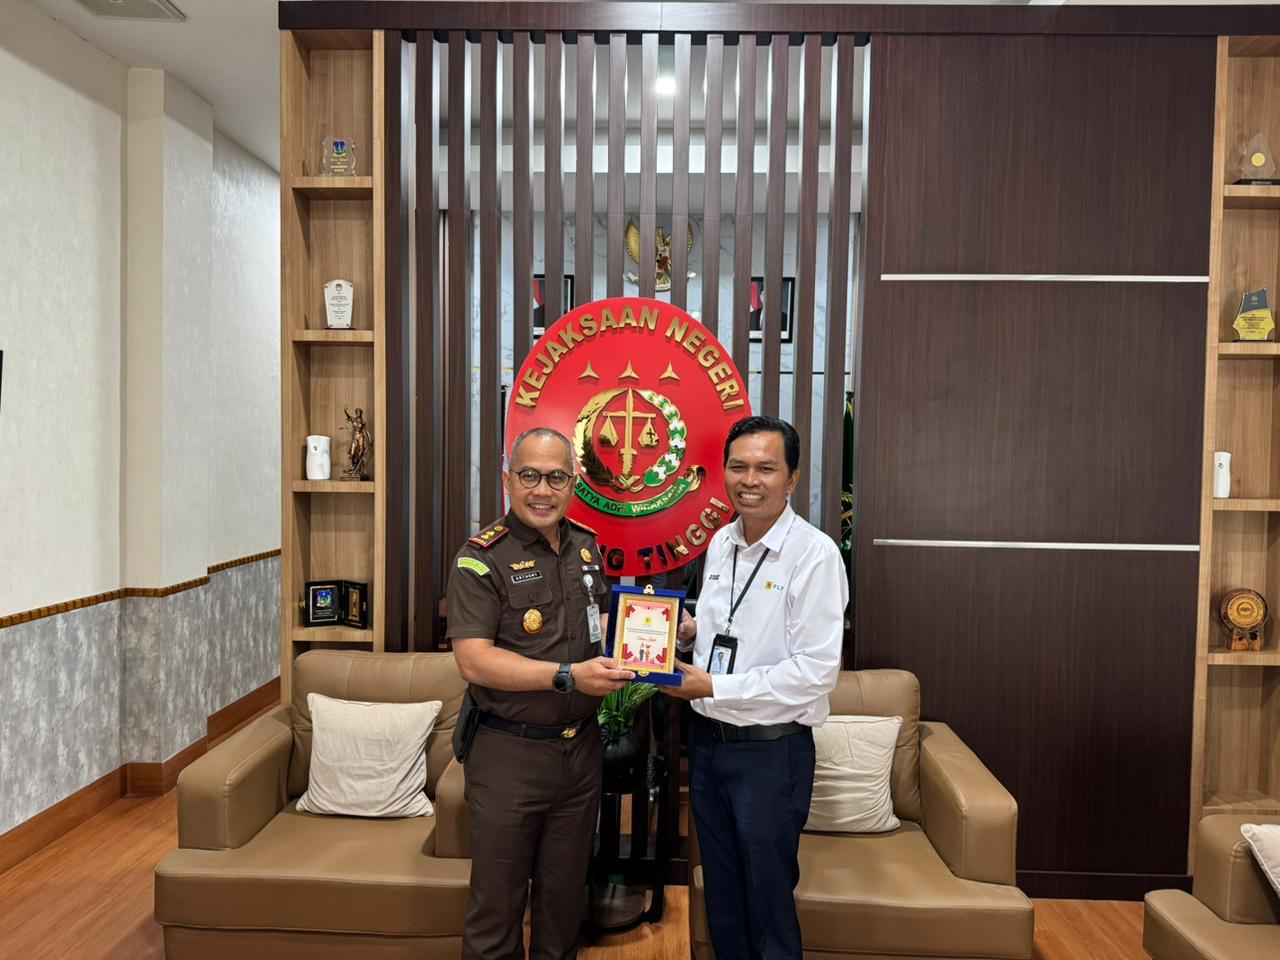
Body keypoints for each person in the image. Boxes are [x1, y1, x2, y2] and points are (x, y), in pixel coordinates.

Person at [662, 415, 849, 960]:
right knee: (722, 894)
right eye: (738, 466)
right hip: (708, 745)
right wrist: (691, 633)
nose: (750, 480)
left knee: (767, 901)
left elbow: (816, 671)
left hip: (771, 753)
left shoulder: (814, 555)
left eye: (766, 468)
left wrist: (713, 685)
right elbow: (730, 628)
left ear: (792, 479)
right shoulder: (722, 542)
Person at [446, 427, 635, 960]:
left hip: (580, 753)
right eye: (529, 475)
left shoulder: (585, 546)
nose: (542, 490)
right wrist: (567, 676)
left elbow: (596, 625)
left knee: (564, 903)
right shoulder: (481, 558)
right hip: (510, 754)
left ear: (573, 483)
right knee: (497, 911)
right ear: (507, 478)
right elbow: (474, 659)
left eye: (556, 477)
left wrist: (657, 632)